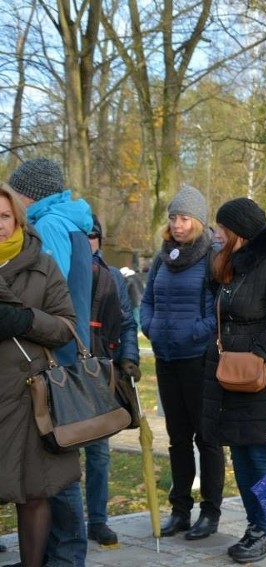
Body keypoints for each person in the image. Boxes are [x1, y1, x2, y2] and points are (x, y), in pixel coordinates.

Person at [201, 198, 266, 564]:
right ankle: (257, 525)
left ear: (238, 232)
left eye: (222, 228)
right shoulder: (231, 267)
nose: (216, 234)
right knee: (240, 458)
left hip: (259, 379)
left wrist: (259, 351)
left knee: (259, 456)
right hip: (231, 379)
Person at [9, 158, 93, 567]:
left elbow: (44, 293)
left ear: (30, 195)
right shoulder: (73, 222)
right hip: (61, 358)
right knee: (58, 460)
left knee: (56, 467)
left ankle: (66, 556)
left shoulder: (51, 226)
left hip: (53, 361)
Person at [140, 185, 224, 540]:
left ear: (199, 221)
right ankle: (180, 510)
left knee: (207, 438)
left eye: (184, 217)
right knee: (177, 439)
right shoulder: (163, 256)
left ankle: (210, 512)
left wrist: (197, 332)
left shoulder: (212, 256)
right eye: (173, 217)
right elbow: (147, 300)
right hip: (166, 356)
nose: (177, 224)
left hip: (197, 358)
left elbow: (218, 307)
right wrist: (151, 327)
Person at [84, 215, 141, 546]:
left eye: (94, 236)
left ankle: (98, 519)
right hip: (65, 368)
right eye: (84, 235)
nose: (89, 241)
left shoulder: (112, 277)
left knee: (99, 451)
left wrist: (129, 357)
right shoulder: (61, 265)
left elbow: (126, 322)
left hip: (103, 368)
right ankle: (62, 522)